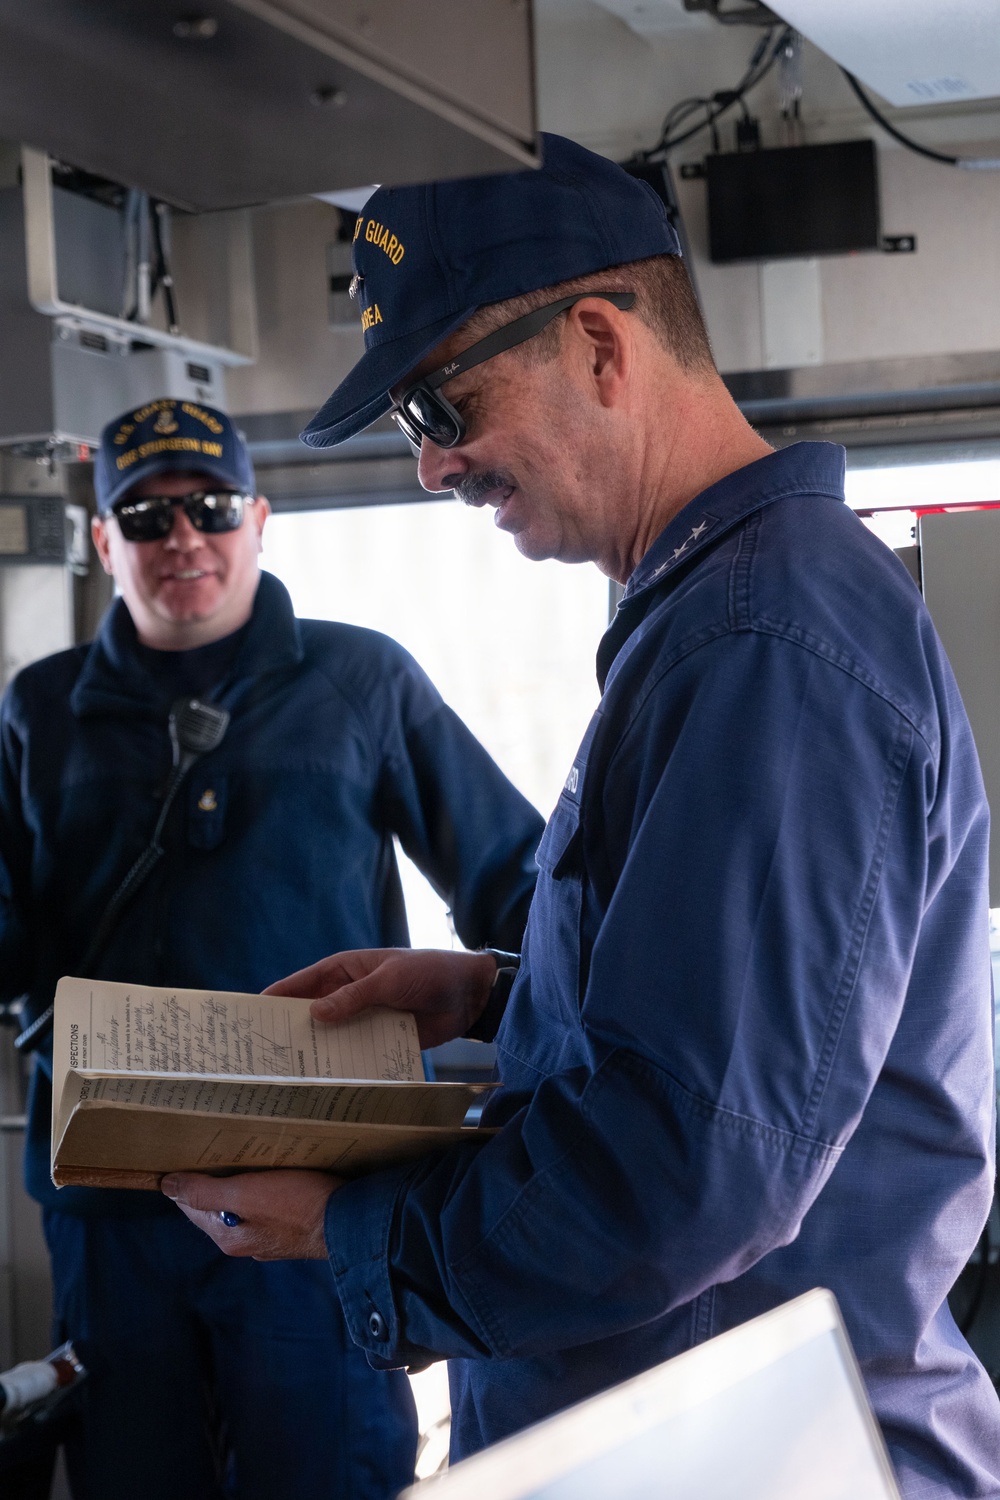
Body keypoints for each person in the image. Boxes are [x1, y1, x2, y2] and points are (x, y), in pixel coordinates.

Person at [163, 138, 1000, 1498]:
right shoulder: (708, 621)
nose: (433, 468)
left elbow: (692, 1165)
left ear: (602, 346)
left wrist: (352, 1234)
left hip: (748, 1456)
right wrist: (498, 995)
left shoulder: (766, 643)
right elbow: (711, 1027)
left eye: (443, 406)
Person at [3, 397, 544, 1500]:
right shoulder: (38, 710)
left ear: (257, 519)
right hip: (112, 1200)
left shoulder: (363, 682)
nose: (182, 539)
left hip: (316, 1194)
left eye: (207, 507)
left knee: (331, 1471)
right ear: (105, 542)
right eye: (145, 519)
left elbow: (519, 885)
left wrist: (578, 1024)